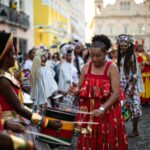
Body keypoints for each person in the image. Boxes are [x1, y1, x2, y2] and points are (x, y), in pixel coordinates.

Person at [0, 31, 61, 131]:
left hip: (16, 122)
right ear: (5, 56)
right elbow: (19, 108)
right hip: (9, 127)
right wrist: (47, 122)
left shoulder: (7, 76)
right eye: (13, 53)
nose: (15, 57)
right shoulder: (3, 80)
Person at [76, 35, 127, 150]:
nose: (94, 59)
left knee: (107, 140)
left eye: (98, 56)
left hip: (108, 112)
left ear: (105, 54)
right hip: (89, 112)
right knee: (88, 140)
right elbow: (79, 89)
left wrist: (102, 108)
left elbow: (116, 93)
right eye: (92, 55)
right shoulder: (85, 67)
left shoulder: (112, 68)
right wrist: (74, 91)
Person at [117, 34, 142, 137]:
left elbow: (135, 74)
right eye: (121, 45)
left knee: (135, 106)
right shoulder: (120, 57)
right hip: (122, 86)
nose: (123, 47)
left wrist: (132, 89)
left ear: (129, 46)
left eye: (125, 45)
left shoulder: (131, 56)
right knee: (124, 107)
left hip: (132, 85)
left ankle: (135, 130)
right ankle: (122, 129)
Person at [30, 47, 58, 112]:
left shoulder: (40, 69)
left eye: (46, 55)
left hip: (40, 101)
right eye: (44, 55)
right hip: (44, 101)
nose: (46, 56)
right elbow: (48, 88)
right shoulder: (43, 71)